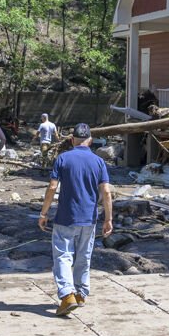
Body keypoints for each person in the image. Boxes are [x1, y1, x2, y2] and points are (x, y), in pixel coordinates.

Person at [38, 122, 112, 316]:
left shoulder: (63, 158)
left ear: (72, 140)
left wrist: (44, 213)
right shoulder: (99, 162)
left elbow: (52, 187)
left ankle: (67, 295)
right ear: (90, 140)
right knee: (83, 256)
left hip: (66, 217)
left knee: (63, 256)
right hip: (89, 218)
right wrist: (108, 219)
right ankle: (80, 294)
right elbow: (106, 191)